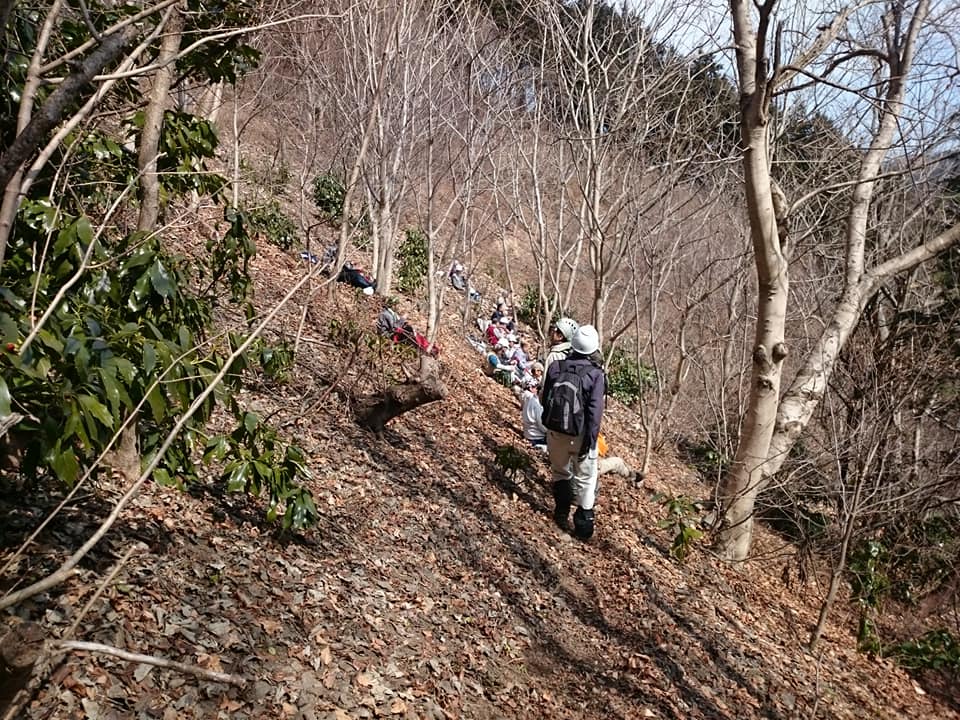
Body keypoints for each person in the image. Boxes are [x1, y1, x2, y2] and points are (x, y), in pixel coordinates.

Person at [541, 324, 605, 539]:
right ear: (593, 348)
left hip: (555, 431)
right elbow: (595, 412)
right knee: (586, 481)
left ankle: (561, 513)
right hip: (580, 435)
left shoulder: (556, 366)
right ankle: (583, 528)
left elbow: (545, 398)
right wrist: (590, 441)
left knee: (561, 472)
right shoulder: (595, 375)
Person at [540, 317, 578, 399]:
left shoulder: (554, 355)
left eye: (554, 330)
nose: (551, 332)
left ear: (560, 336)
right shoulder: (574, 355)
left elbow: (545, 384)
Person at [520, 368, 547, 451]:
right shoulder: (536, 403)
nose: (537, 390)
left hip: (528, 434)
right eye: (536, 388)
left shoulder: (528, 399)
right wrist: (549, 432)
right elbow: (541, 424)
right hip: (536, 437)